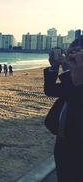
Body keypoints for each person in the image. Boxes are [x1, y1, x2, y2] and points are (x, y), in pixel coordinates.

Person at [44, 37, 83, 181]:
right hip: (62, 143)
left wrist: (71, 74)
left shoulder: (77, 79)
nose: (72, 57)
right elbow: (51, 90)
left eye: (78, 53)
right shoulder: (74, 79)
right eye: (70, 52)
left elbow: (77, 102)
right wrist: (54, 67)